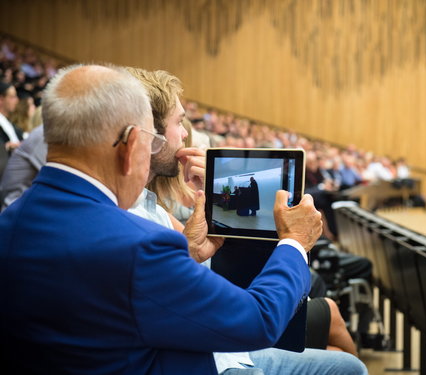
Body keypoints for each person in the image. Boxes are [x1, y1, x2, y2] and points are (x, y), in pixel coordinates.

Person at [0, 64, 358, 375]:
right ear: (130, 145)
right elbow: (258, 321)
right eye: (152, 143)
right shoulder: (139, 244)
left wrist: (187, 254)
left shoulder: (11, 222)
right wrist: (295, 242)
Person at [127, 67, 365, 374]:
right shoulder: (130, 217)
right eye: (178, 122)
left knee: (349, 366)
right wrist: (294, 242)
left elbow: (185, 275)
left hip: (215, 344)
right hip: (200, 355)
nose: (186, 133)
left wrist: (194, 248)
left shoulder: (149, 206)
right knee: (340, 348)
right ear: (151, 133)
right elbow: (252, 319)